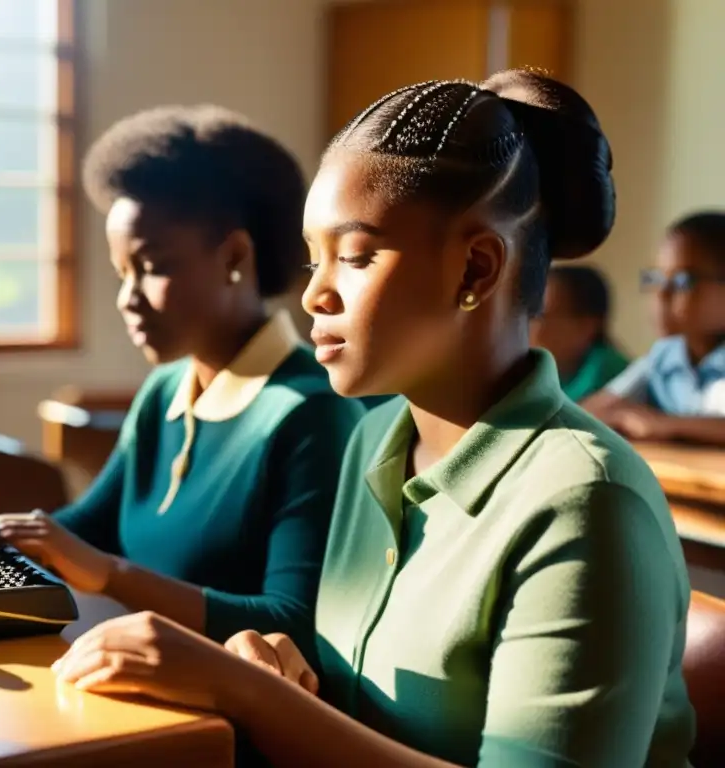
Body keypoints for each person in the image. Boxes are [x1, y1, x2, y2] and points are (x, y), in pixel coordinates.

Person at [50, 71, 696, 767]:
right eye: (313, 260)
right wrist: (280, 673)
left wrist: (255, 698)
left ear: (476, 270)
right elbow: (363, 711)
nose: (315, 296)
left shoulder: (586, 501)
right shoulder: (373, 441)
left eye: (355, 257)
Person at [0, 106, 365, 653]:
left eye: (153, 267)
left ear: (235, 255)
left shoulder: (310, 413)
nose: (127, 299)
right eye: (122, 272)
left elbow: (294, 622)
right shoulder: (167, 388)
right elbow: (85, 531)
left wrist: (113, 575)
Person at [584, 211, 725, 445]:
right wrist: (621, 416)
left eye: (683, 281)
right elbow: (593, 411)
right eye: (656, 278)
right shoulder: (663, 357)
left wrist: (665, 424)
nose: (661, 293)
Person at [530, 264, 629, 400]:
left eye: (540, 316)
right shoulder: (548, 373)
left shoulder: (612, 375)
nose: (529, 327)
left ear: (587, 326)